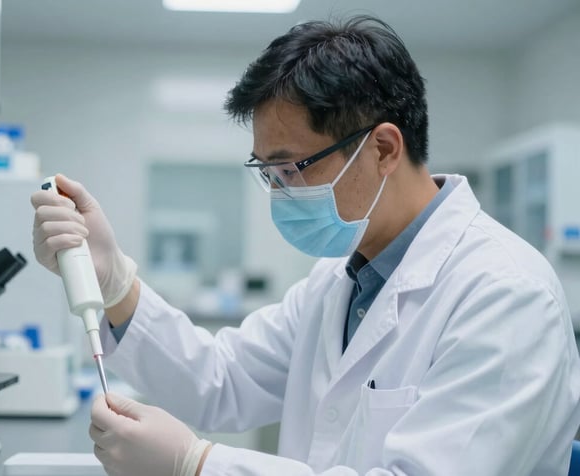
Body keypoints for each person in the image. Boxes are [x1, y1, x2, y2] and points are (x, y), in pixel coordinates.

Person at [31, 14, 580, 476]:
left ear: (384, 148)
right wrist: (115, 282)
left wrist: (197, 464)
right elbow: (220, 380)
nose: (280, 192)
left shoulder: (506, 294)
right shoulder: (340, 280)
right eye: (267, 171)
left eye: (292, 168)